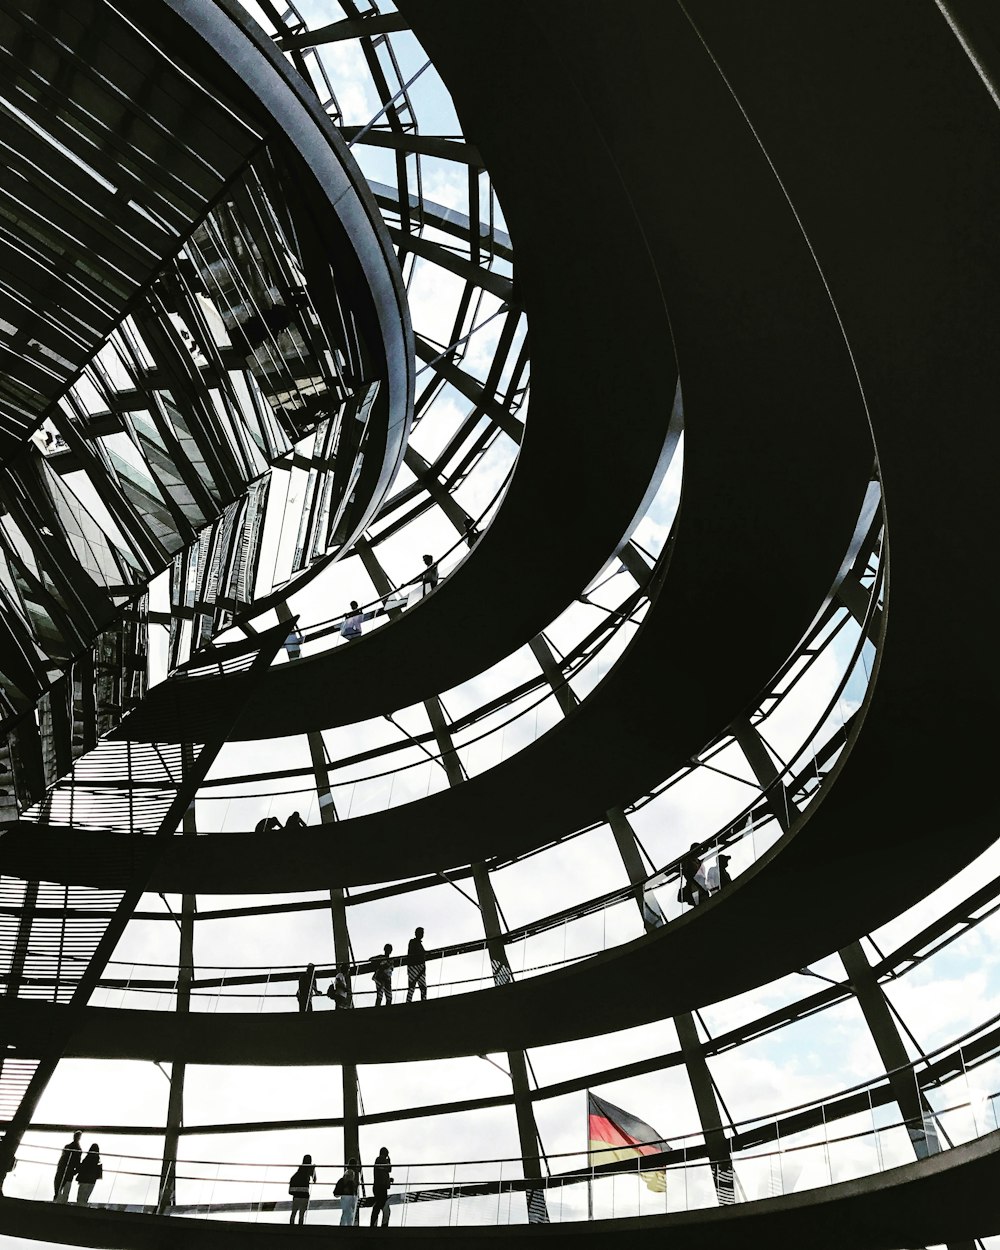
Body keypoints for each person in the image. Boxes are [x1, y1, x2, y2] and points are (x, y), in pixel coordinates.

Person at [288, 1153, 317, 1225]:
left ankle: (291, 1228)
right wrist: (314, 1169)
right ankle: (300, 1228)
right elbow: (314, 1180)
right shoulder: (310, 1168)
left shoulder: (300, 1168)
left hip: (296, 1193)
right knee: (302, 1214)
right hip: (304, 1193)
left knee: (294, 1212)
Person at [53, 1131, 82, 1202]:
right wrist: (75, 1171)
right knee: (66, 1189)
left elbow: (62, 1158)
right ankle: (62, 1202)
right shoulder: (78, 1149)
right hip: (69, 1171)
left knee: (58, 1187)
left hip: (62, 1169)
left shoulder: (67, 1147)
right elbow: (77, 1162)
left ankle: (56, 1200)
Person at [370, 1147, 392, 1227]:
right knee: (380, 1205)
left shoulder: (378, 1160)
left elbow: (383, 1171)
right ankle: (381, 1225)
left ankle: (374, 1224)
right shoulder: (381, 1159)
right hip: (381, 1187)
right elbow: (389, 1169)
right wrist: (389, 1161)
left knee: (380, 1205)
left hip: (378, 1186)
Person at [679, 842, 706, 908]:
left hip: (701, 885)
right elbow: (688, 874)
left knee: (703, 902)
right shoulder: (688, 860)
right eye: (699, 849)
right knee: (699, 904)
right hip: (694, 885)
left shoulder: (698, 861)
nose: (700, 851)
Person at [334, 1157, 360, 1225]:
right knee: (349, 1213)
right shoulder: (352, 1173)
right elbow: (352, 1186)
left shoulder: (346, 1174)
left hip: (344, 1196)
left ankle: (343, 1226)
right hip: (349, 1196)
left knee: (345, 1212)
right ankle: (348, 1227)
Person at [406, 927, 427, 1003]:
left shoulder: (418, 944)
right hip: (414, 966)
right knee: (412, 986)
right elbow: (414, 953)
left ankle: (423, 1000)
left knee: (422, 987)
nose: (421, 934)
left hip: (419, 967)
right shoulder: (413, 942)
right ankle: (409, 1002)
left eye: (422, 933)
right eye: (420, 932)